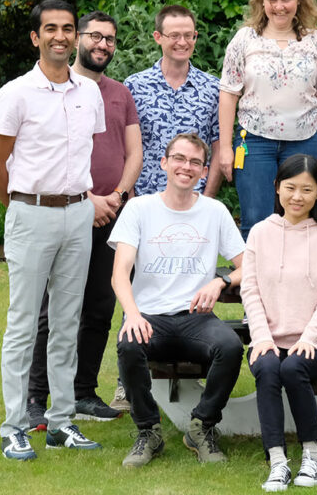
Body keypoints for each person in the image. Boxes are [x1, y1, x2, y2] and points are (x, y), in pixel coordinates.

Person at [0, 0, 106, 460]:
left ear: (76, 36)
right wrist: (21, 209)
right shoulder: (16, 94)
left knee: (67, 323)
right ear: (36, 37)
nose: (60, 36)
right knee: (22, 324)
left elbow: (82, 155)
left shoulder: (89, 92)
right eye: (51, 28)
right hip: (31, 213)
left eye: (68, 28)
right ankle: (14, 427)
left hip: (78, 213)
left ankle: (61, 422)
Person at [25, 10, 143, 429]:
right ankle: (35, 397)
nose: (102, 45)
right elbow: (57, 154)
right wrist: (89, 200)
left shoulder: (119, 93)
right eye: (95, 36)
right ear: (78, 40)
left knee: (99, 306)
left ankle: (83, 393)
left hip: (114, 213)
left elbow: (134, 152)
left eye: (110, 39)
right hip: (70, 209)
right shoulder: (56, 89)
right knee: (52, 308)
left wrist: (118, 197)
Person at [111, 133, 246, 467]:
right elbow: (119, 274)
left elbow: (250, 265)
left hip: (196, 318)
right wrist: (133, 315)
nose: (187, 167)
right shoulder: (139, 209)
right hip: (149, 316)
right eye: (180, 159)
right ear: (164, 163)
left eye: (195, 162)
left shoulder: (214, 211)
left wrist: (221, 281)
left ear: (204, 171)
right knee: (129, 343)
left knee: (230, 346)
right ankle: (148, 432)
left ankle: (201, 426)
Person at [241, 154, 317, 491]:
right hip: (269, 339)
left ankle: (311, 455)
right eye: (290, 188)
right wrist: (261, 337)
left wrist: (309, 337)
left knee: (292, 368)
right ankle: (277, 461)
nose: (297, 196)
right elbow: (250, 290)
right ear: (277, 188)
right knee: (268, 366)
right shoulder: (260, 233)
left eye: (306, 189)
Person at [217, 0, 317, 240]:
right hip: (254, 142)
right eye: (273, 0)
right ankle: (255, 270)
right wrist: (225, 148)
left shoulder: (315, 40)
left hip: (304, 140)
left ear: (299, 0)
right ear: (262, 1)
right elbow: (228, 93)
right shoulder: (245, 39)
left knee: (301, 220)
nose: (279, 6)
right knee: (256, 221)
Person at [125, 4, 222, 198]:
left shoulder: (213, 88)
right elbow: (124, 149)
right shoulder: (134, 86)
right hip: (145, 198)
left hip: (194, 198)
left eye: (188, 35)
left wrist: (207, 199)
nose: (182, 42)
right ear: (158, 37)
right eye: (174, 35)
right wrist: (130, 198)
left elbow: (219, 148)